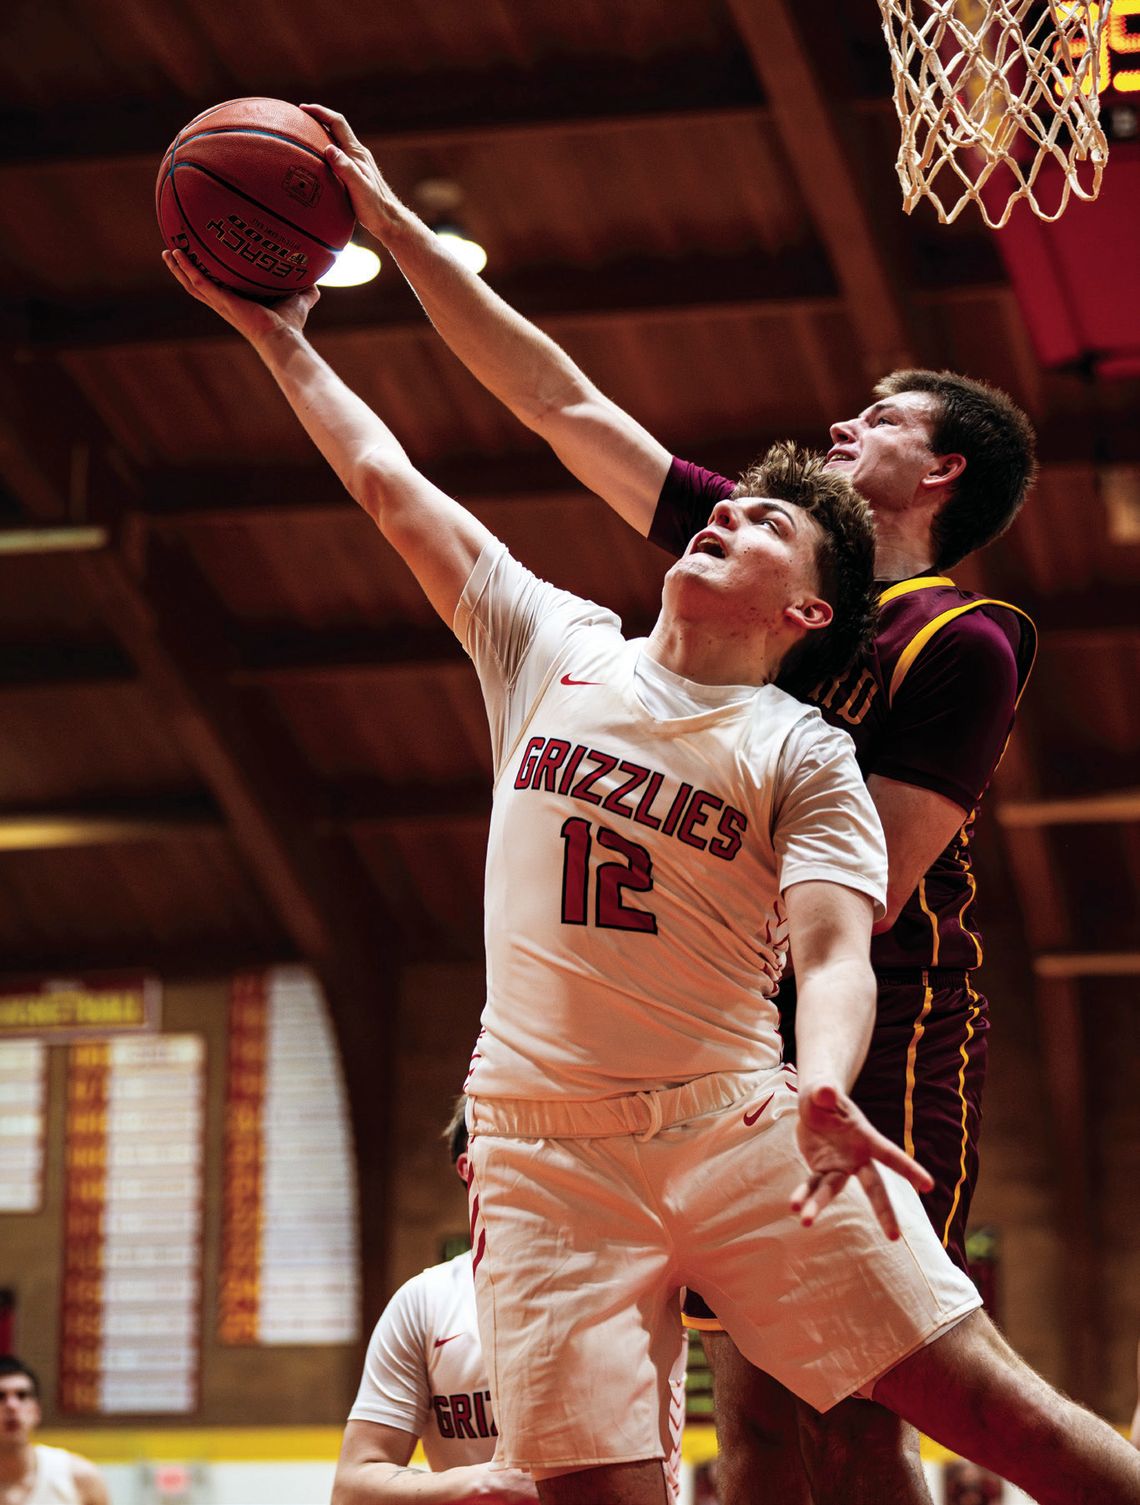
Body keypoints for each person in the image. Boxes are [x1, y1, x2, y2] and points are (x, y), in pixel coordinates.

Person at [163, 240, 1140, 1505]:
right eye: (722, 509)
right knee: (731, 1449)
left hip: (807, 1064)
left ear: (808, 608)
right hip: (551, 1133)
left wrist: (825, 1081)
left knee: (873, 1416)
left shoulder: (877, 693)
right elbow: (450, 448)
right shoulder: (559, 638)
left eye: (762, 516)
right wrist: (299, 310)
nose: (726, 509)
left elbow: (853, 928)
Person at [333, 1098, 538, 1504]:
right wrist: (487, 1482)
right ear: (469, 1167)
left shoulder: (620, 1280)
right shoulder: (425, 1301)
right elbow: (351, 1488)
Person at [0, 1356, 108, 1505]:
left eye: (22, 1395)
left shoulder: (79, 1477)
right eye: (0, 1397)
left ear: (36, 1411)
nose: (12, 1406)